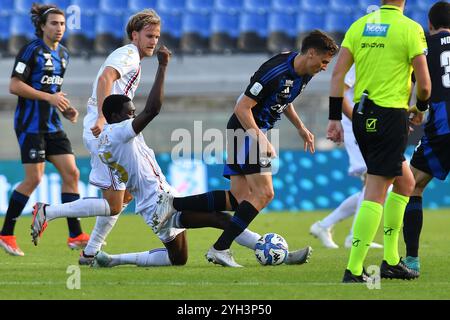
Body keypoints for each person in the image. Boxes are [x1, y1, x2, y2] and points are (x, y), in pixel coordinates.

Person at [31, 47, 312, 267]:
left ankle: (110, 259)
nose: (133, 115)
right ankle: (260, 251)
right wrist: (163, 67)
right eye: (129, 112)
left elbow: (117, 195)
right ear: (115, 117)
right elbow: (152, 109)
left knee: (178, 259)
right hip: (159, 204)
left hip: (152, 202)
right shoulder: (119, 133)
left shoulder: (107, 139)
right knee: (221, 218)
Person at [155, 30, 338, 267]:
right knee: (264, 193)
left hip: (249, 131)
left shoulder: (304, 71)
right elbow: (242, 107)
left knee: (238, 198)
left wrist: (301, 127)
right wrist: (260, 138)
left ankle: (173, 204)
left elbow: (284, 99)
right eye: (324, 61)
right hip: (246, 129)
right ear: (311, 53)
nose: (325, 67)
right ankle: (220, 248)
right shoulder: (275, 71)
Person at [327, 0, 431, 282]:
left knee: (406, 182)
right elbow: (424, 84)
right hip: (389, 116)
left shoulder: (359, 26)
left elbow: (337, 75)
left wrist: (335, 118)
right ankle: (355, 269)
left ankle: (392, 260)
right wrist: (420, 108)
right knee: (376, 190)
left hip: (362, 116)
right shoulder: (410, 29)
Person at [0, 3, 89, 257]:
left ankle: (75, 234)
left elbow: (52, 93)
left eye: (62, 24)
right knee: (34, 179)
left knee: (71, 172)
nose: (59, 28)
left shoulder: (64, 54)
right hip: (30, 125)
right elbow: (14, 86)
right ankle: (6, 233)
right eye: (54, 23)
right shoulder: (31, 50)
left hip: (53, 124)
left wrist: (65, 108)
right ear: (42, 26)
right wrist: (48, 98)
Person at [79, 9, 162, 265]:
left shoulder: (130, 56)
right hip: (106, 130)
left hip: (112, 129)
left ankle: (91, 252)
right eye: (149, 35)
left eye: (157, 37)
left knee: (124, 196)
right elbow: (106, 77)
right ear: (134, 35)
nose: (153, 41)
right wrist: (103, 118)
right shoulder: (128, 55)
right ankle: (50, 213)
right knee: (115, 202)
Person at [310, 65, 382, 250]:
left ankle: (325, 226)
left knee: (378, 184)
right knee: (374, 179)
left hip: (369, 126)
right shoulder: (360, 60)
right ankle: (354, 236)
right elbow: (341, 91)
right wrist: (358, 122)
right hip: (356, 127)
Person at [402, 1, 450, 276]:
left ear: (429, 25)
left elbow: (418, 85)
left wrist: (416, 112)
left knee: (412, 186)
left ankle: (411, 260)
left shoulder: (425, 48)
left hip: (442, 128)